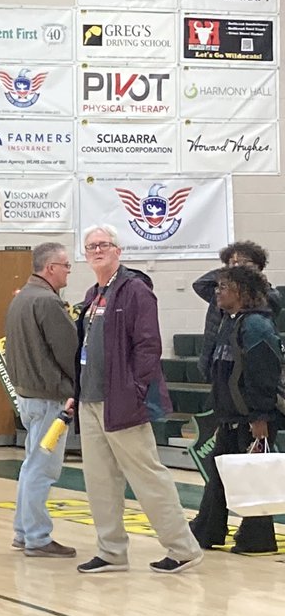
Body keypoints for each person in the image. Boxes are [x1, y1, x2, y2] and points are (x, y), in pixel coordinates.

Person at [72, 225, 204, 575]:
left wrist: (135, 390)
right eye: (90, 246)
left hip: (123, 402)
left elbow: (148, 346)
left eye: (104, 245)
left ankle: (183, 548)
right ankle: (111, 550)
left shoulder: (134, 290)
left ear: (118, 250)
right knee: (100, 481)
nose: (97, 250)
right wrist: (77, 393)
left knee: (147, 476)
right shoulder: (92, 294)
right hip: (91, 401)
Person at [190, 265, 281, 554]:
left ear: (242, 292)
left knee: (252, 477)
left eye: (224, 287)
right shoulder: (230, 321)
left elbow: (262, 374)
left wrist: (260, 417)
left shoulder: (256, 325)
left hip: (252, 416)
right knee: (219, 474)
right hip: (231, 416)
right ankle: (207, 530)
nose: (217, 292)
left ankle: (257, 539)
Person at [3, 242, 77, 558]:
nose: (68, 271)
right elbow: (68, 352)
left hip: (28, 397)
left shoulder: (20, 299)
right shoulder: (47, 303)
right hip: (50, 402)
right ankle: (36, 536)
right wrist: (76, 387)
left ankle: (23, 531)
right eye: (65, 266)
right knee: (43, 468)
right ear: (50, 268)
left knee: (31, 465)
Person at [193, 241, 281, 382]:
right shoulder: (222, 294)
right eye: (231, 263)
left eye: (243, 262)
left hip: (242, 366)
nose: (236, 266)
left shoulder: (265, 297)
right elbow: (200, 284)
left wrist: (243, 274)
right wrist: (230, 272)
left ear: (258, 266)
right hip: (217, 358)